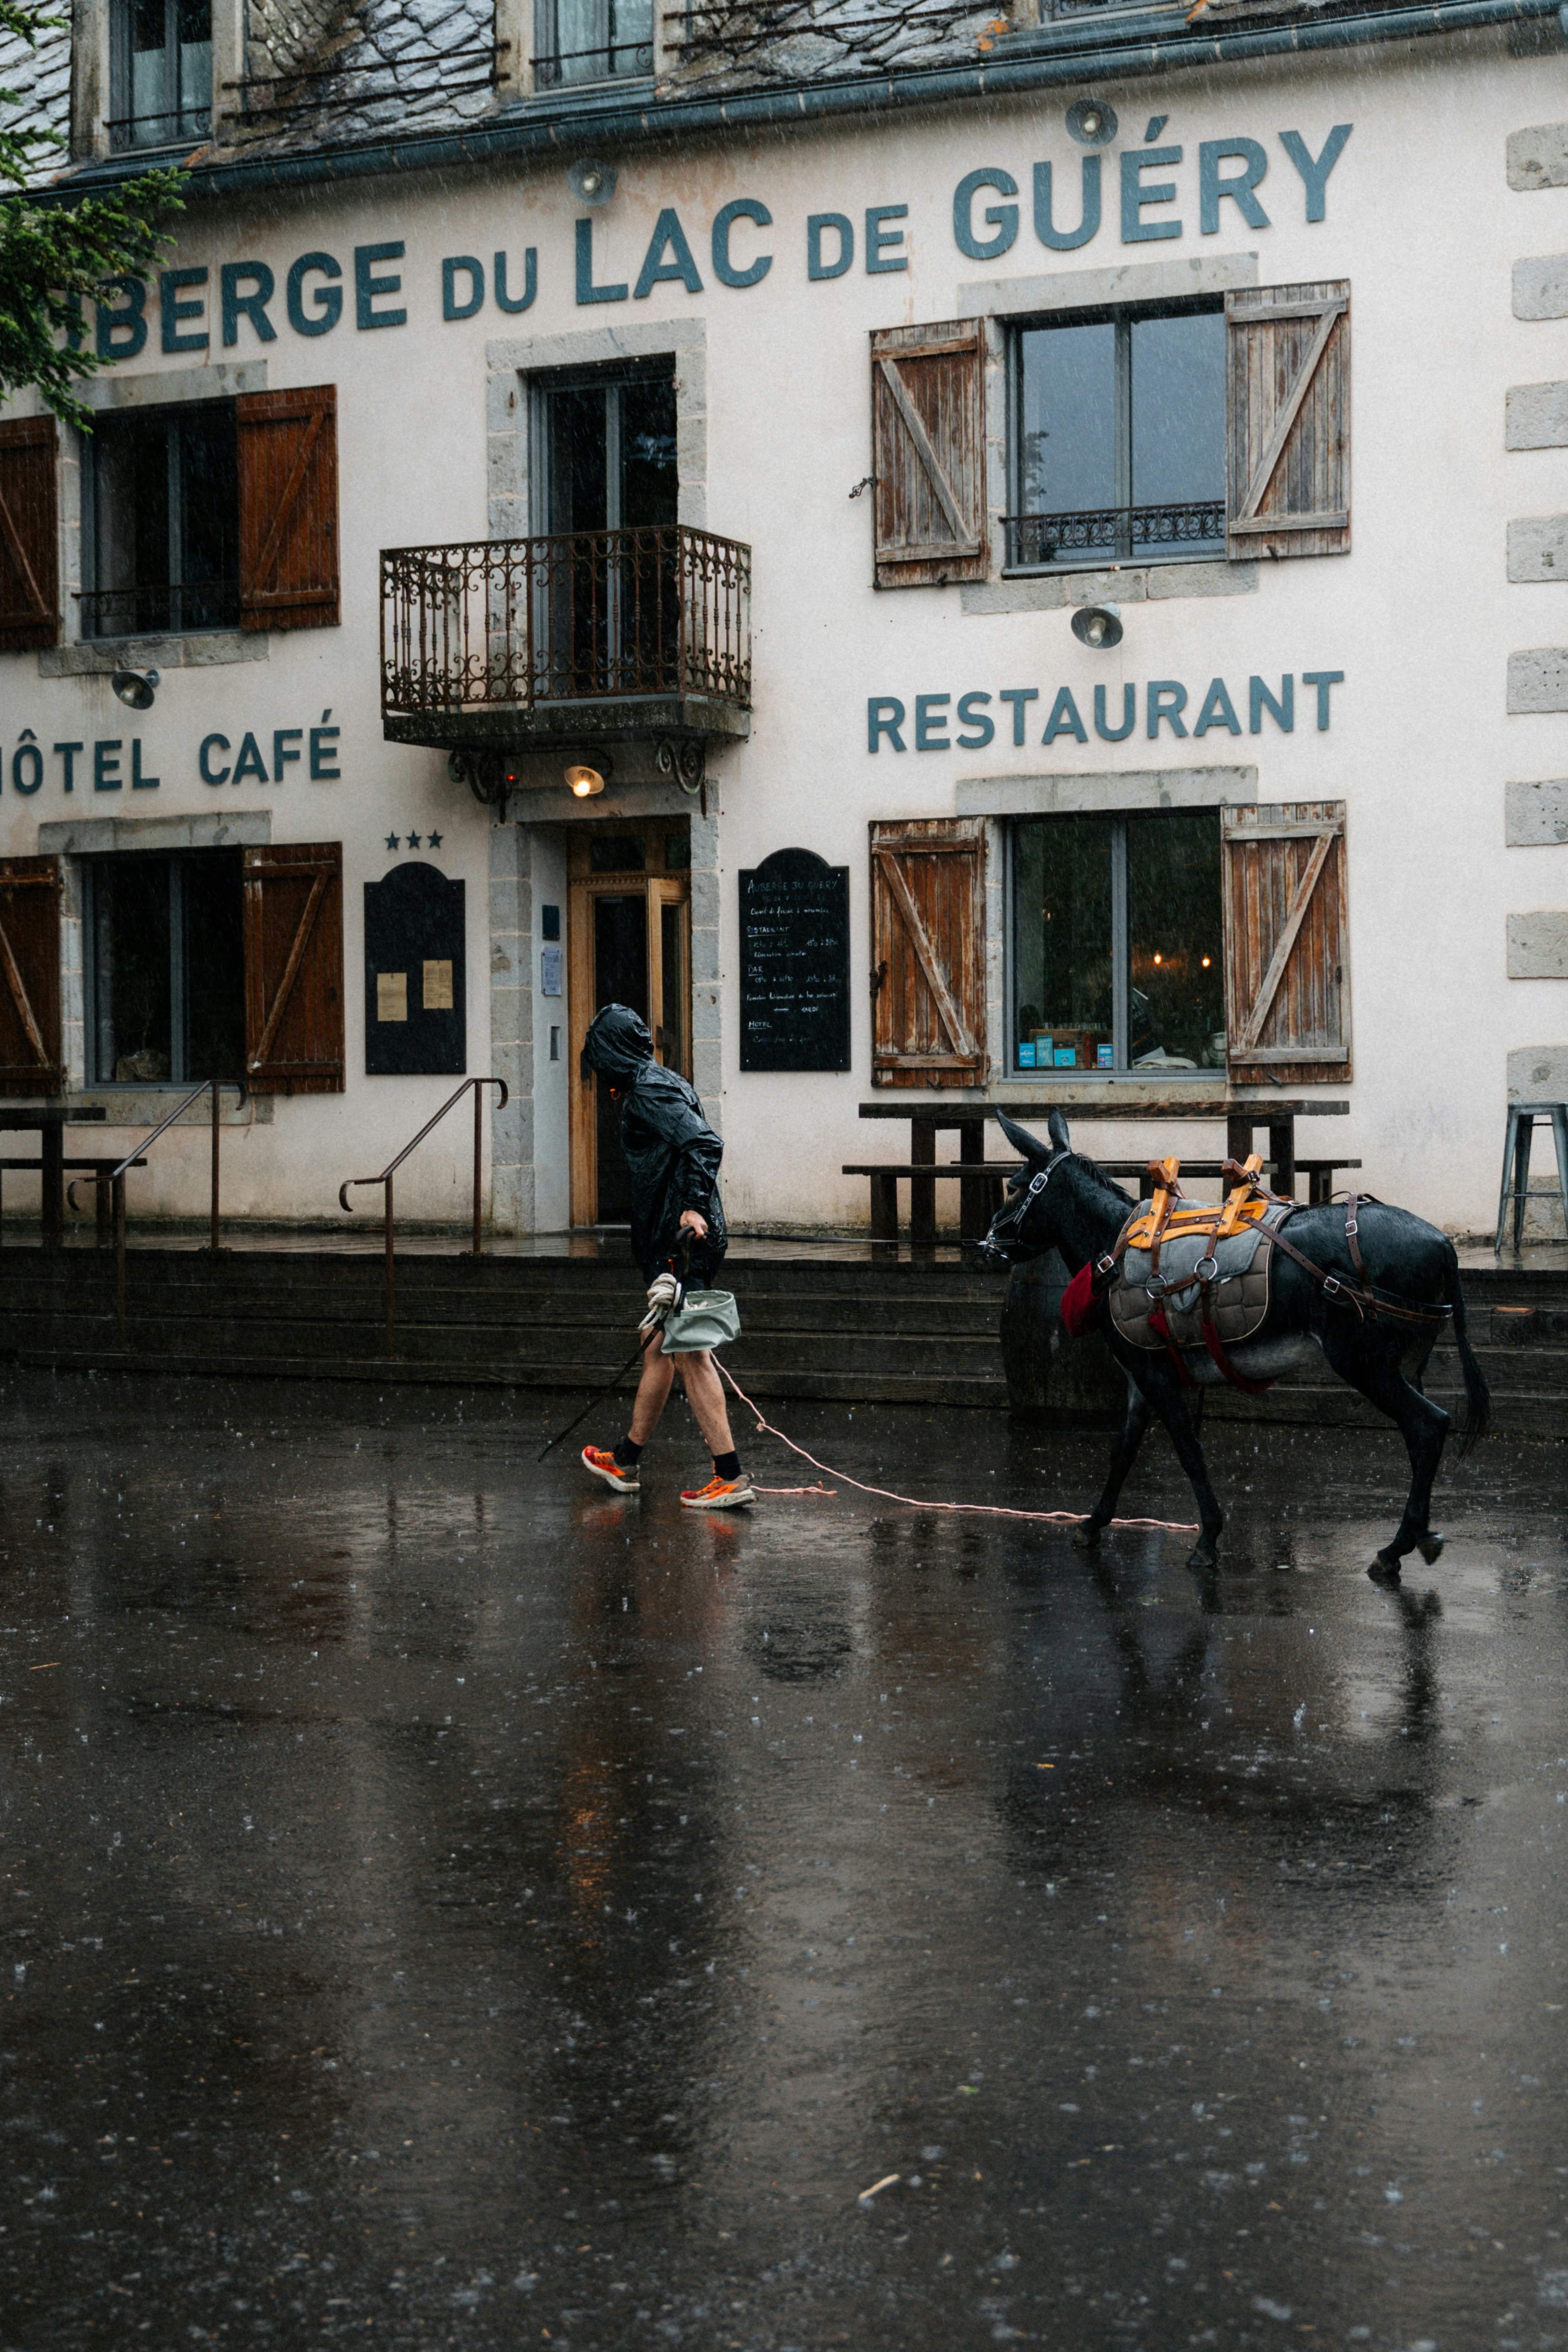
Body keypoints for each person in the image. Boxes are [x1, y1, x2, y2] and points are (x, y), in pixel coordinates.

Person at [577, 1003, 754, 1509]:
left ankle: (729, 1475)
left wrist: (692, 1208)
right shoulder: (658, 1081)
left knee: (691, 1353)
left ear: (612, 1054)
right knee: (658, 1345)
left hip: (684, 1243)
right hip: (674, 1242)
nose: (597, 1070)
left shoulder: (650, 1091)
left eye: (598, 1057)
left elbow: (704, 1143)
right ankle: (626, 1459)